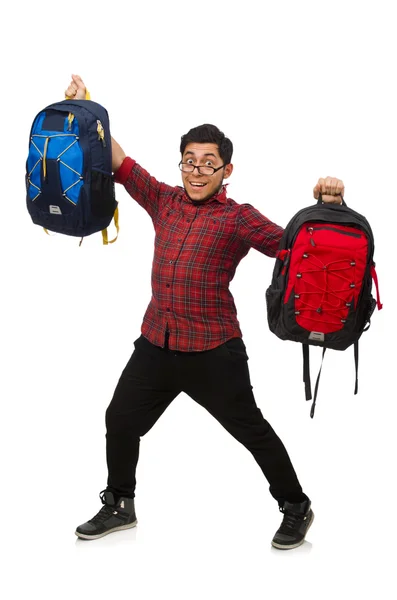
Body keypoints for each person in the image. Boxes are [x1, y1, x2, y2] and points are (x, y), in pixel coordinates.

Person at [67, 75, 344, 549]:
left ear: (226, 170)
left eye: (208, 164)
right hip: (156, 343)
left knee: (252, 431)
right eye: (189, 162)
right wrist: (85, 108)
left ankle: (296, 506)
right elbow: (119, 159)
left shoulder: (238, 217)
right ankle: (119, 503)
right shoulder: (163, 199)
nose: (196, 172)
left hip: (214, 350)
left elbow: (297, 246)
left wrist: (329, 206)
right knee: (120, 419)